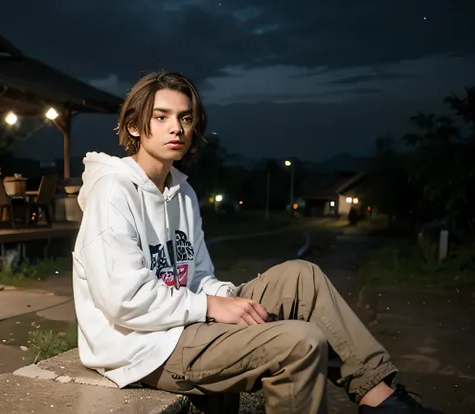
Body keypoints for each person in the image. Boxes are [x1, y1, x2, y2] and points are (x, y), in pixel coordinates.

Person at [72, 71, 442, 413]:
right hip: (142, 348)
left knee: (303, 277)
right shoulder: (113, 193)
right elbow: (124, 301)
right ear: (135, 126)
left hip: (180, 325)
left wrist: (230, 298)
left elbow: (198, 277)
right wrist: (210, 306)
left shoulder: (181, 194)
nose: (177, 128)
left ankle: (382, 400)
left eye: (185, 118)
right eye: (161, 117)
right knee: (300, 342)